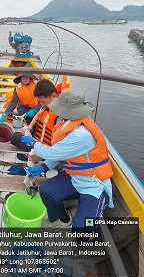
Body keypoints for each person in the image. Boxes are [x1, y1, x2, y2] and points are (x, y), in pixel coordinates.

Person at [21, 89, 114, 238]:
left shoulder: (80, 135)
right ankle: (63, 219)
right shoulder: (66, 122)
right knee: (46, 190)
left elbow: (51, 153)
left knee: (83, 228)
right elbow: (62, 153)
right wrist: (44, 167)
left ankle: (88, 237)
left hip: (93, 183)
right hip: (74, 177)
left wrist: (33, 142)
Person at [10, 79, 60, 156]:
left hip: (47, 150)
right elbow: (38, 113)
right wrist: (30, 126)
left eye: (43, 102)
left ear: (53, 96)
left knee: (15, 137)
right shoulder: (48, 104)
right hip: (39, 141)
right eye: (40, 102)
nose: (42, 104)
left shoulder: (61, 115)